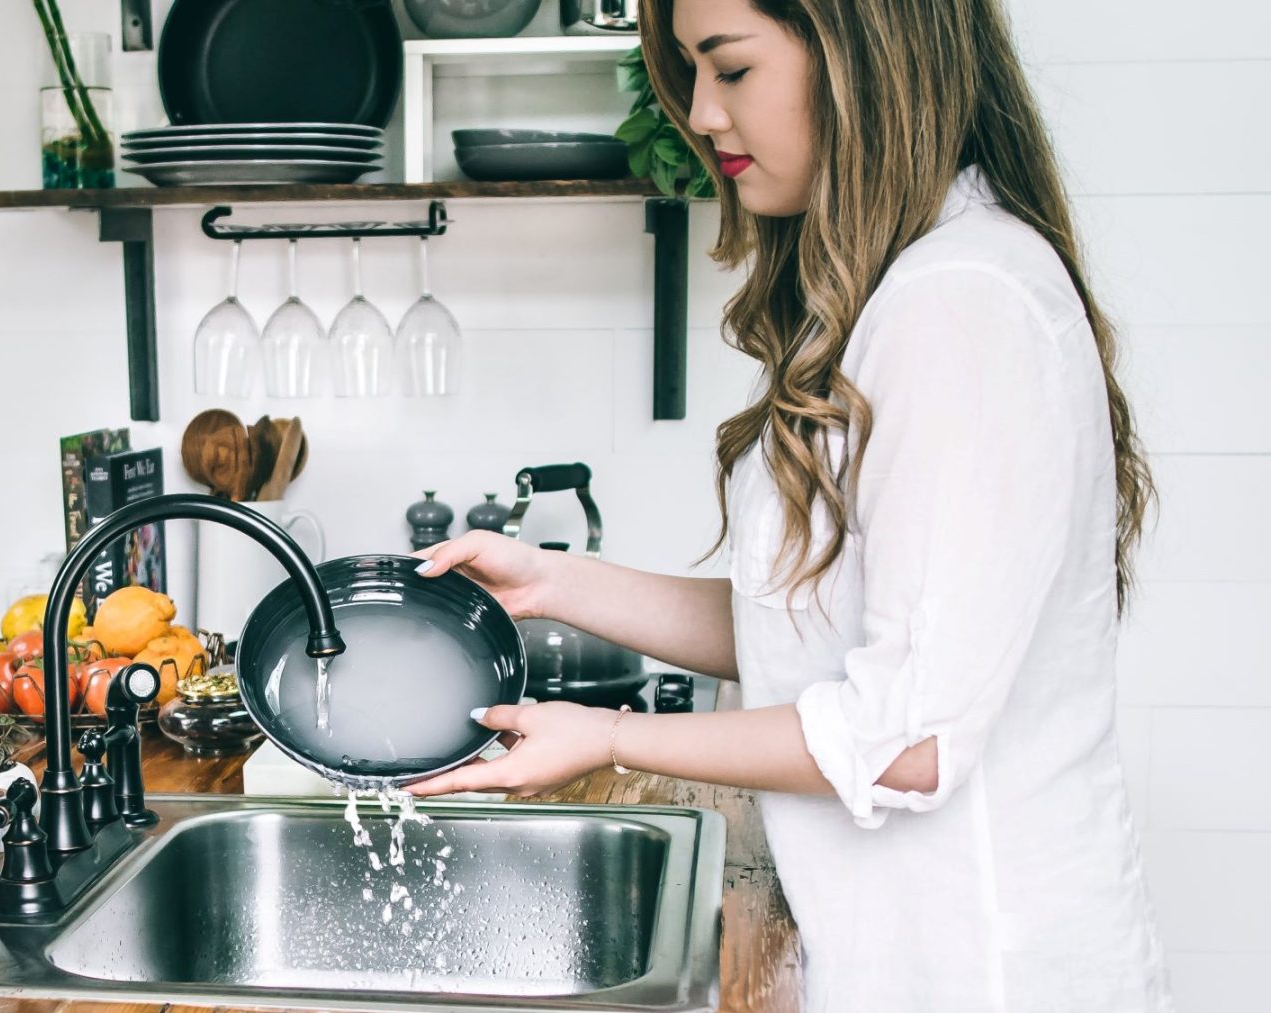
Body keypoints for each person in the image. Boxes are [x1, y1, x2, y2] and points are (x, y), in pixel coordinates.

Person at [405, 1, 1169, 1009]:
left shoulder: (960, 302)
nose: (701, 114)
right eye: (691, 74)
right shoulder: (904, 287)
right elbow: (808, 631)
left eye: (730, 69)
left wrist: (608, 734)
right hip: (904, 955)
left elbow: (906, 740)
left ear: (865, 55)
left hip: (980, 971)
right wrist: (550, 581)